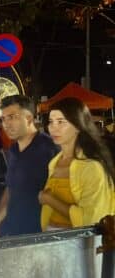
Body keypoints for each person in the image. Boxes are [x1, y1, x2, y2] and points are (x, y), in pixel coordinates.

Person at [40, 98, 115, 229]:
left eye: (61, 122)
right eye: (51, 122)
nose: (53, 128)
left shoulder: (91, 167)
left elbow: (91, 220)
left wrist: (50, 200)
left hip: (78, 242)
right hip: (50, 236)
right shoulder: (54, 162)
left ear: (78, 126)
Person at [0, 96, 58, 238]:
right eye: (3, 119)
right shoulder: (13, 150)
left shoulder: (50, 149)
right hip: (12, 232)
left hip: (40, 235)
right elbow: (11, 187)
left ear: (29, 118)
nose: (6, 124)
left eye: (12, 117)